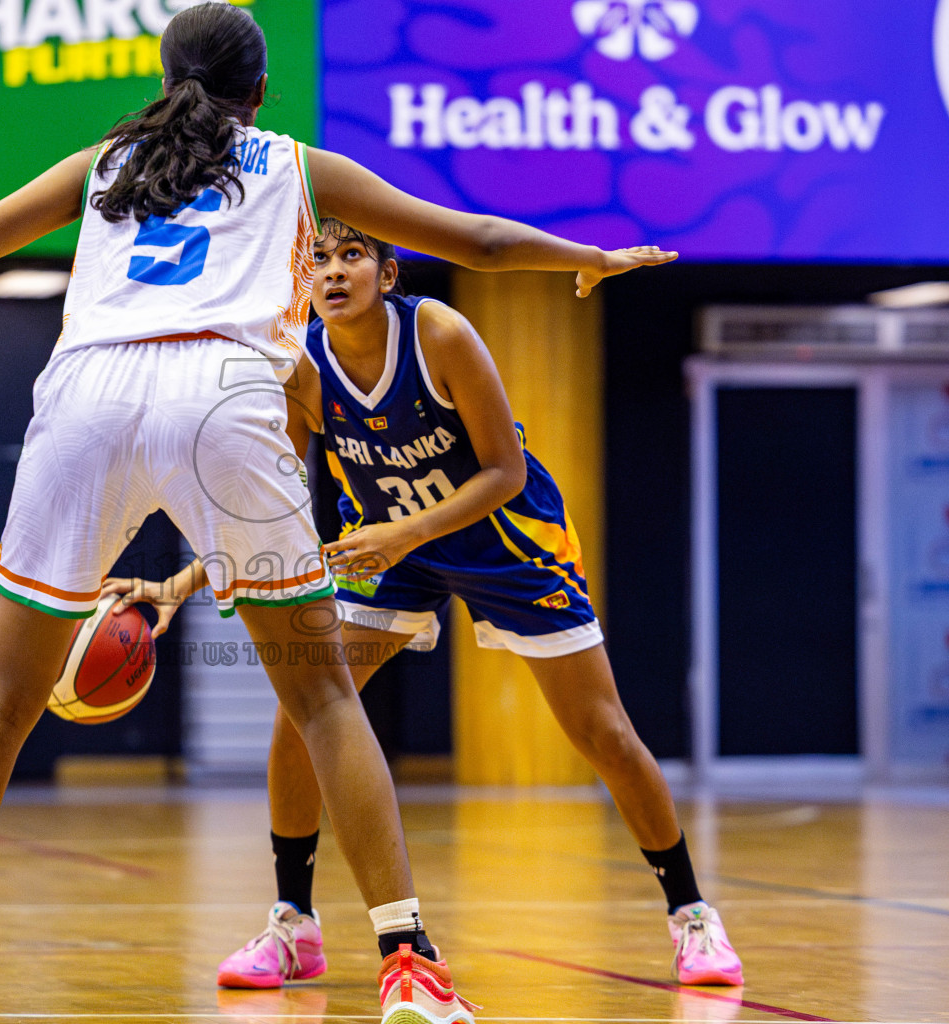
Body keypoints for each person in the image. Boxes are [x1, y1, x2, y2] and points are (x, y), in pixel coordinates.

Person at [0, 6, 675, 1024]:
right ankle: (407, 962)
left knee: (1, 700)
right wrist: (589, 254)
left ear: (166, 76)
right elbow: (480, 240)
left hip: (85, 397)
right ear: (259, 92)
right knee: (323, 701)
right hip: (223, 393)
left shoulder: (104, 164)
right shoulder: (298, 166)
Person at [106, 220, 740, 989]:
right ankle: (293, 922)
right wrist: (180, 584)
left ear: (387, 272)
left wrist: (400, 535)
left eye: (352, 256)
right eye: (318, 260)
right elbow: (275, 504)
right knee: (303, 716)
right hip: (391, 549)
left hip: (503, 540)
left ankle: (691, 913)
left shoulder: (439, 332)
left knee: (602, 731)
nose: (333, 272)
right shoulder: (302, 363)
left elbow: (504, 472)